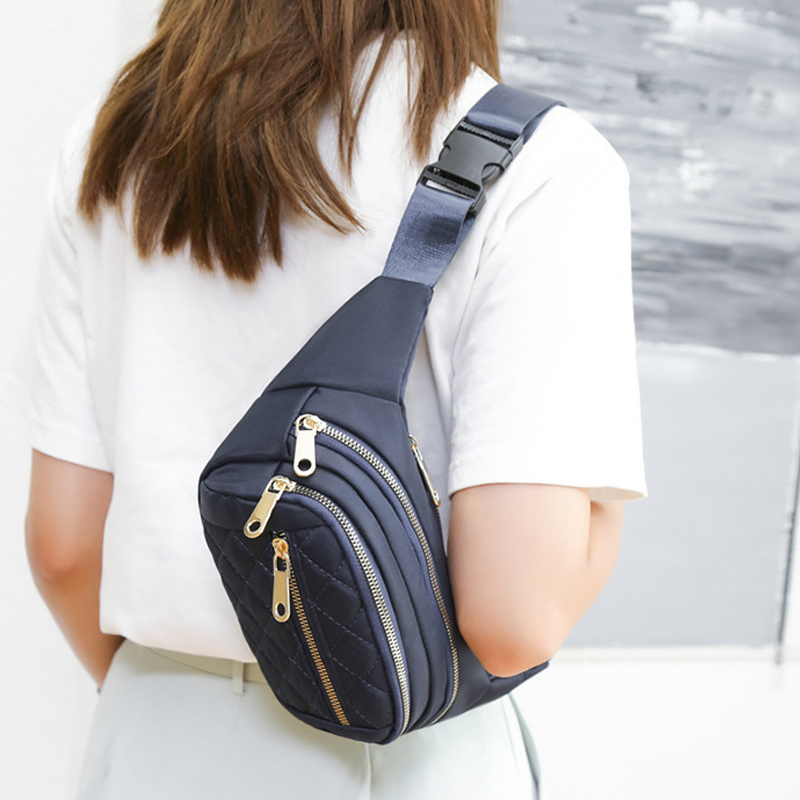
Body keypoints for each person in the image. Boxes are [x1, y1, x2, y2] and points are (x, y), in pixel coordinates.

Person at [8, 0, 648, 797]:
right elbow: (513, 619)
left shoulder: (117, 142)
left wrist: (173, 694)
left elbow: (64, 547)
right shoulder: (541, 162)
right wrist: (604, 505)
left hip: (150, 735)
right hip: (399, 753)